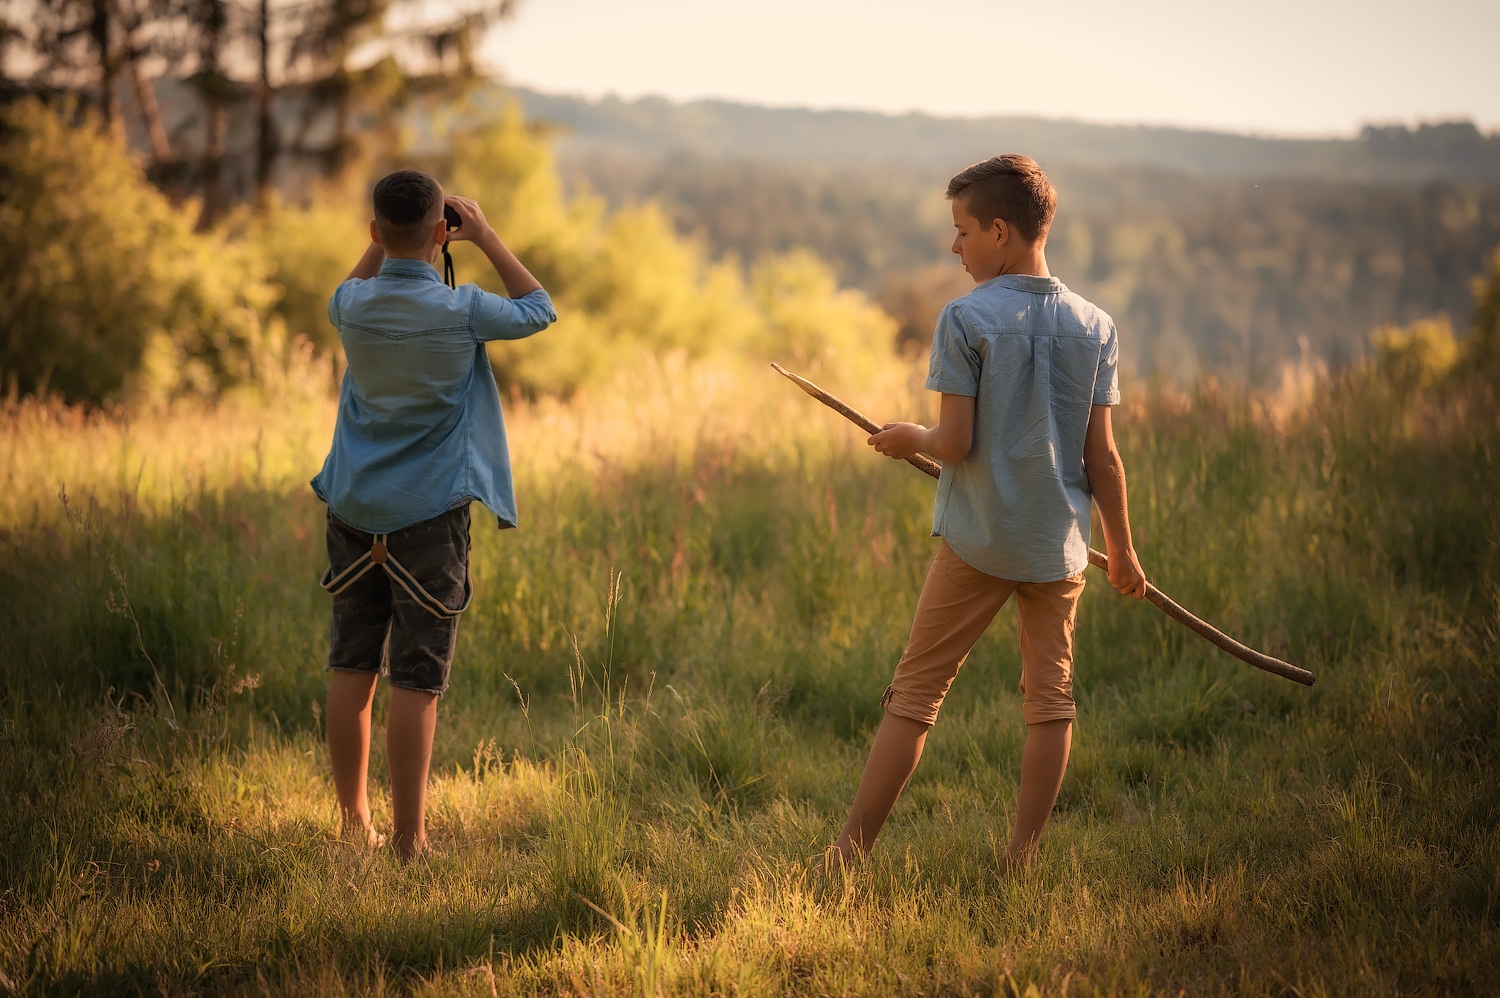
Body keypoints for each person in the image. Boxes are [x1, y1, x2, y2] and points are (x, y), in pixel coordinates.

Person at [826, 154, 1148, 875]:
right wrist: (1122, 550)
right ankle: (1020, 862)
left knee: (915, 693)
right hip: (1057, 548)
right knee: (1051, 700)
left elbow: (956, 444)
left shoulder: (965, 318)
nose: (955, 246)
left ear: (1000, 231)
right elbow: (1103, 459)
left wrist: (910, 438)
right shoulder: (1096, 326)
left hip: (977, 543)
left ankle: (847, 857)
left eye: (962, 230)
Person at [311, 169, 556, 859]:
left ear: (372, 232)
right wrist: (486, 234)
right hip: (430, 515)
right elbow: (539, 309)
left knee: (351, 668)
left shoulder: (353, 306)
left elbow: (346, 290)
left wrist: (381, 245)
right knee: (416, 679)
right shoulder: (464, 309)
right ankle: (409, 840)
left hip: (355, 510)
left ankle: (353, 821)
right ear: (443, 232)